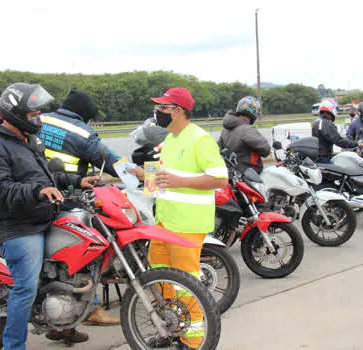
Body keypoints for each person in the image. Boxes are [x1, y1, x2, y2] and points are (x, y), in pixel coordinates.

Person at [0, 83, 98, 350]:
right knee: (26, 287)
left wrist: (76, 181)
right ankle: (13, 346)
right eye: (32, 115)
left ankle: (63, 327)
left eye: (38, 113)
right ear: (15, 115)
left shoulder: (28, 141)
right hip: (16, 226)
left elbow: (47, 178)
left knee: (76, 265)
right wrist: (37, 191)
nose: (37, 119)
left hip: (40, 216)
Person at [29, 89, 141, 329]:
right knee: (88, 251)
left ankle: (63, 326)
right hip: (65, 197)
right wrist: (139, 176)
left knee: (56, 261)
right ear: (84, 116)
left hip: (35, 194)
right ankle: (92, 307)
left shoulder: (42, 120)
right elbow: (110, 162)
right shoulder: (82, 133)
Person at [132, 87, 228, 349]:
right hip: (164, 221)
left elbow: (220, 178)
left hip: (188, 224)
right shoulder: (170, 139)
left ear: (178, 111)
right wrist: (144, 175)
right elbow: (160, 183)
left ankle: (194, 341)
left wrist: (179, 181)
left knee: (187, 285)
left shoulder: (199, 139)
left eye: (163, 107)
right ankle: (170, 331)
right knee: (160, 280)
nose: (158, 112)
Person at [31, 89, 120, 177]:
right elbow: (110, 161)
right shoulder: (84, 134)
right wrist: (129, 169)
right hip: (72, 185)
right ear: (84, 115)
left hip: (37, 181)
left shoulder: (39, 119)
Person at [217, 96, 270, 175]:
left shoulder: (225, 129)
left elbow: (217, 149)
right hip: (248, 174)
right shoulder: (246, 129)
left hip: (230, 173)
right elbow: (266, 149)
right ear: (253, 111)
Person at [312, 99, 358, 163]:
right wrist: (356, 144)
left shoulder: (317, 121)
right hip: (323, 158)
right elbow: (338, 140)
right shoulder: (326, 123)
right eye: (335, 108)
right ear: (330, 108)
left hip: (318, 156)